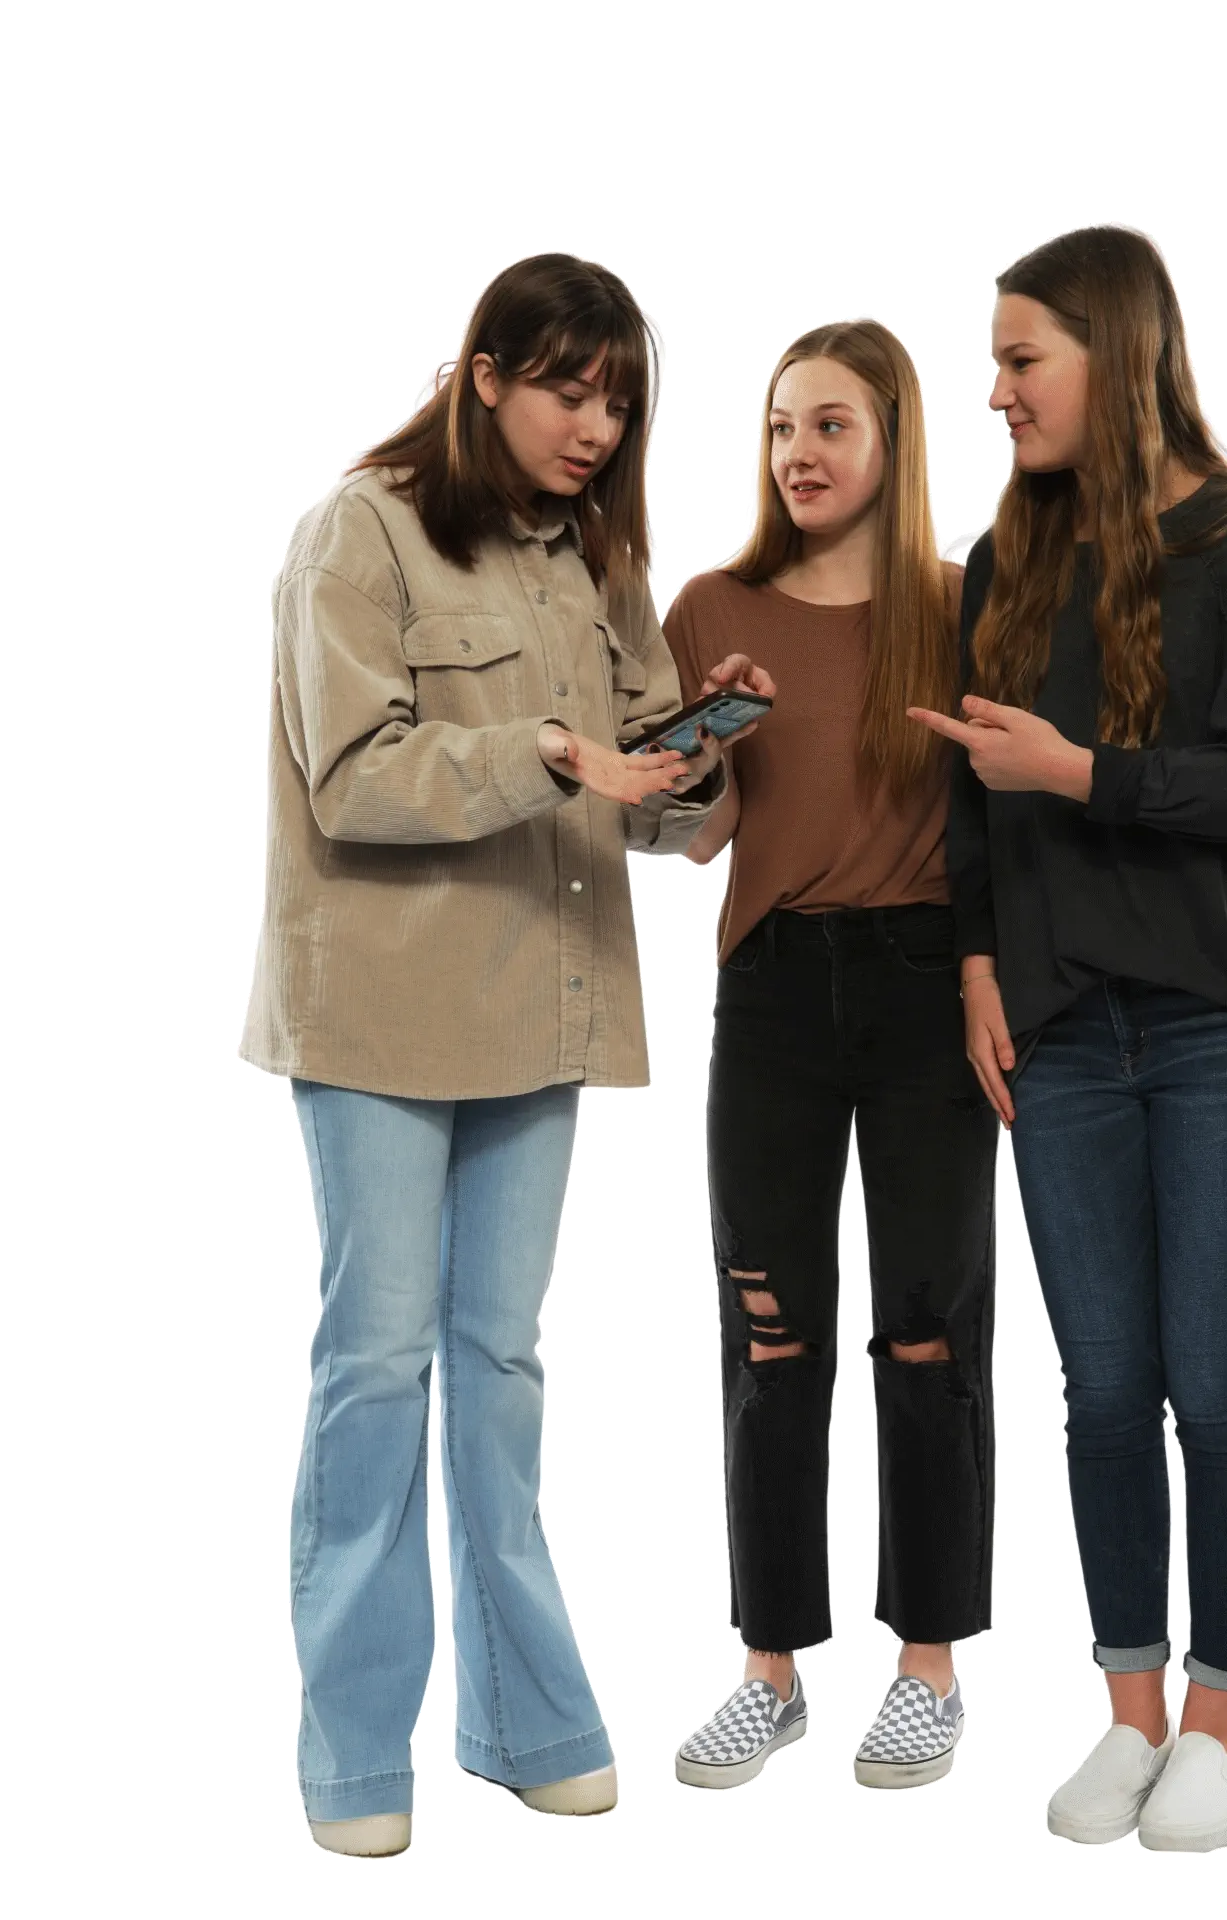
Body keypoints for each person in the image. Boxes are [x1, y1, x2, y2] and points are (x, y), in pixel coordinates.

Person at [239, 253, 765, 1857]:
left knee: (504, 1374)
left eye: (617, 399)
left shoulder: (593, 566)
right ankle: (353, 1760)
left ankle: (529, 1720)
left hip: (540, 1005)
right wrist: (544, 751)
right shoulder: (361, 527)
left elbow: (663, 807)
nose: (594, 424)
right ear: (485, 375)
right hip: (386, 1013)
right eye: (564, 387)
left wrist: (693, 758)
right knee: (374, 1372)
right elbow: (355, 778)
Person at [910, 225, 1227, 1851]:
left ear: (1115, 349)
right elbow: (967, 799)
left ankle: (1221, 1718)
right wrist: (971, 967)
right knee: (1102, 1392)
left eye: (1023, 359)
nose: (999, 392)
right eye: (996, 363)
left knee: (1214, 1390)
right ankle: (1128, 1709)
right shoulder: (998, 565)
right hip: (1067, 1034)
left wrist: (1080, 773)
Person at [663, 321, 998, 1794]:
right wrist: (689, 754)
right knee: (768, 1325)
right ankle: (771, 1666)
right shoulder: (710, 604)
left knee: (927, 1324)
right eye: (781, 426)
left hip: (929, 985)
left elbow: (1002, 823)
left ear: (891, 441)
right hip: (776, 989)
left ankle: (926, 1664)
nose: (799, 452)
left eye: (832, 426)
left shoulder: (956, 605)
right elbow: (696, 833)